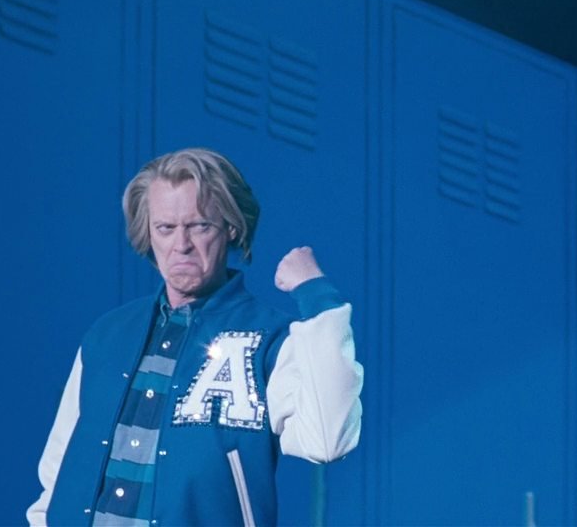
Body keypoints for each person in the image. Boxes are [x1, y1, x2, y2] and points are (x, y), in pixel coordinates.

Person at [27, 148, 364, 525]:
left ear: (231, 227)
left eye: (199, 226)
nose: (181, 245)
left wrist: (317, 295)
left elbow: (327, 439)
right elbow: (57, 469)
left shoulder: (269, 339)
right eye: (165, 228)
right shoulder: (108, 334)